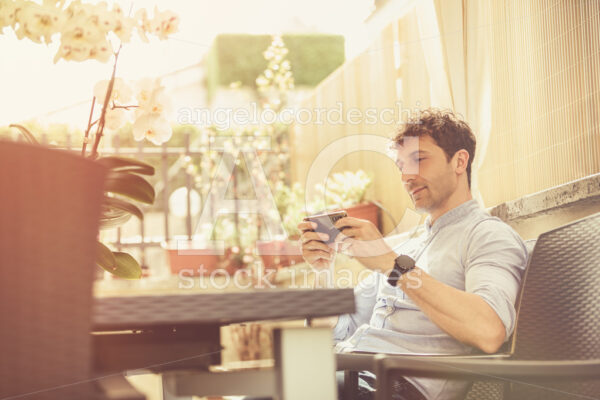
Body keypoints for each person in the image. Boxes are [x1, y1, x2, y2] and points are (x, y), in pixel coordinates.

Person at [298, 109, 527, 400]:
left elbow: (488, 330)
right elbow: (336, 330)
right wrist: (323, 270)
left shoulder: (486, 235)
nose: (407, 176)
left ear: (460, 161)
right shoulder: (408, 246)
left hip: (392, 388)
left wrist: (392, 266)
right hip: (347, 375)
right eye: (401, 165)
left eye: (419, 160)